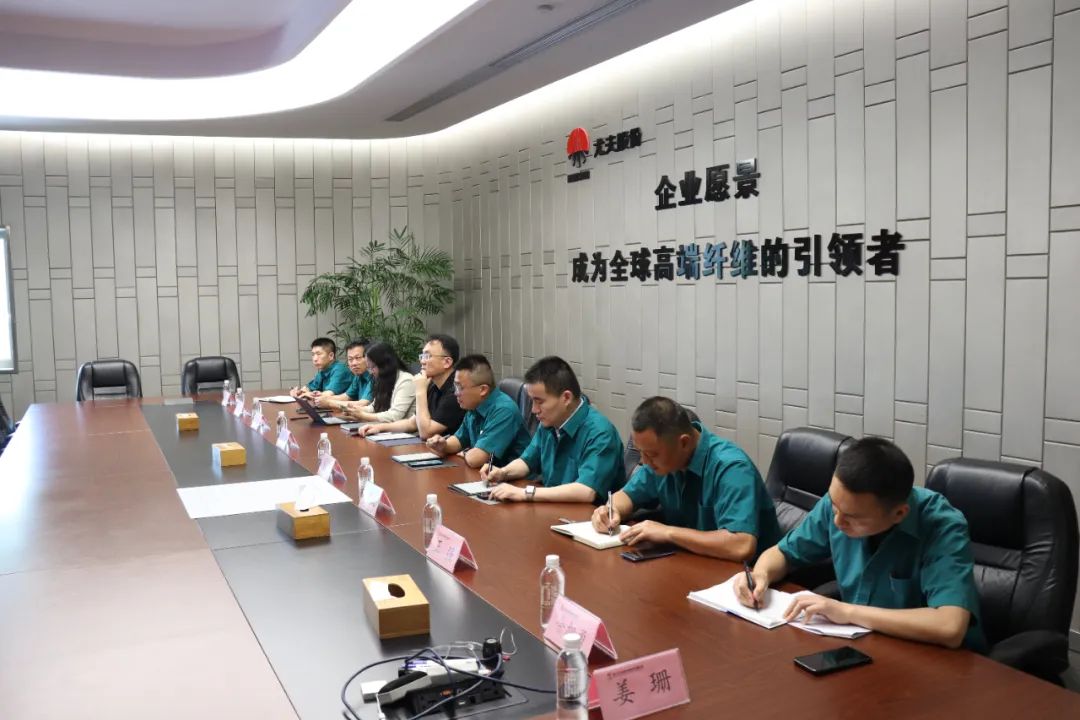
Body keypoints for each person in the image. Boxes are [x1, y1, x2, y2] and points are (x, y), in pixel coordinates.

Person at [732, 437, 985, 651]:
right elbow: (783, 554)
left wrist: (847, 612)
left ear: (899, 513)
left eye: (852, 517)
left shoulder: (942, 525)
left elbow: (949, 626)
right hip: (866, 645)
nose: (837, 521)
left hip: (938, 662)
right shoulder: (841, 504)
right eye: (834, 506)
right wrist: (761, 575)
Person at [591, 396, 782, 561]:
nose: (644, 461)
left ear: (684, 442)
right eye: (641, 452)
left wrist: (668, 533)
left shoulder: (732, 468)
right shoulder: (662, 462)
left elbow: (741, 545)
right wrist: (611, 510)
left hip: (747, 579)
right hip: (692, 564)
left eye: (652, 454)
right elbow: (628, 495)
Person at [483, 356, 623, 504]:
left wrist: (526, 493)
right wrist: (503, 472)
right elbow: (527, 461)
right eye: (532, 401)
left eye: (539, 402)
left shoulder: (600, 433)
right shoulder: (549, 422)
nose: (534, 410)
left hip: (583, 515)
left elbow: (586, 491)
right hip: (552, 507)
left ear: (566, 398)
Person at [426, 354, 530, 469]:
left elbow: (475, 460)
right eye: (455, 386)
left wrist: (466, 452)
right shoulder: (474, 406)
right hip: (487, 474)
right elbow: (458, 440)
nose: (456, 393)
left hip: (514, 477)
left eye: (460, 387)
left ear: (482, 390)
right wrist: (442, 445)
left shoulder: (504, 410)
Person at [359, 334, 466, 439]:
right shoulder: (433, 386)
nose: (422, 361)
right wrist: (379, 427)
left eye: (427, 356)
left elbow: (426, 433)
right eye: (422, 356)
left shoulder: (456, 392)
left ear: (447, 362)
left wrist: (420, 391)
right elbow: (412, 423)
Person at [339, 342, 416, 423]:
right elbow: (374, 407)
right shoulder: (383, 379)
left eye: (373, 367)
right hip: (386, 427)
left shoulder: (406, 380)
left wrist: (362, 415)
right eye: (369, 368)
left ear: (385, 365)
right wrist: (355, 410)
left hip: (403, 430)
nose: (370, 372)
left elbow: (394, 416)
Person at [315, 339, 373, 409]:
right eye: (350, 359)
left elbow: (363, 404)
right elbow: (346, 396)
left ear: (368, 357)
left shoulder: (375, 375)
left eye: (358, 358)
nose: (354, 363)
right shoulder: (358, 376)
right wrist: (321, 398)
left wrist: (329, 403)